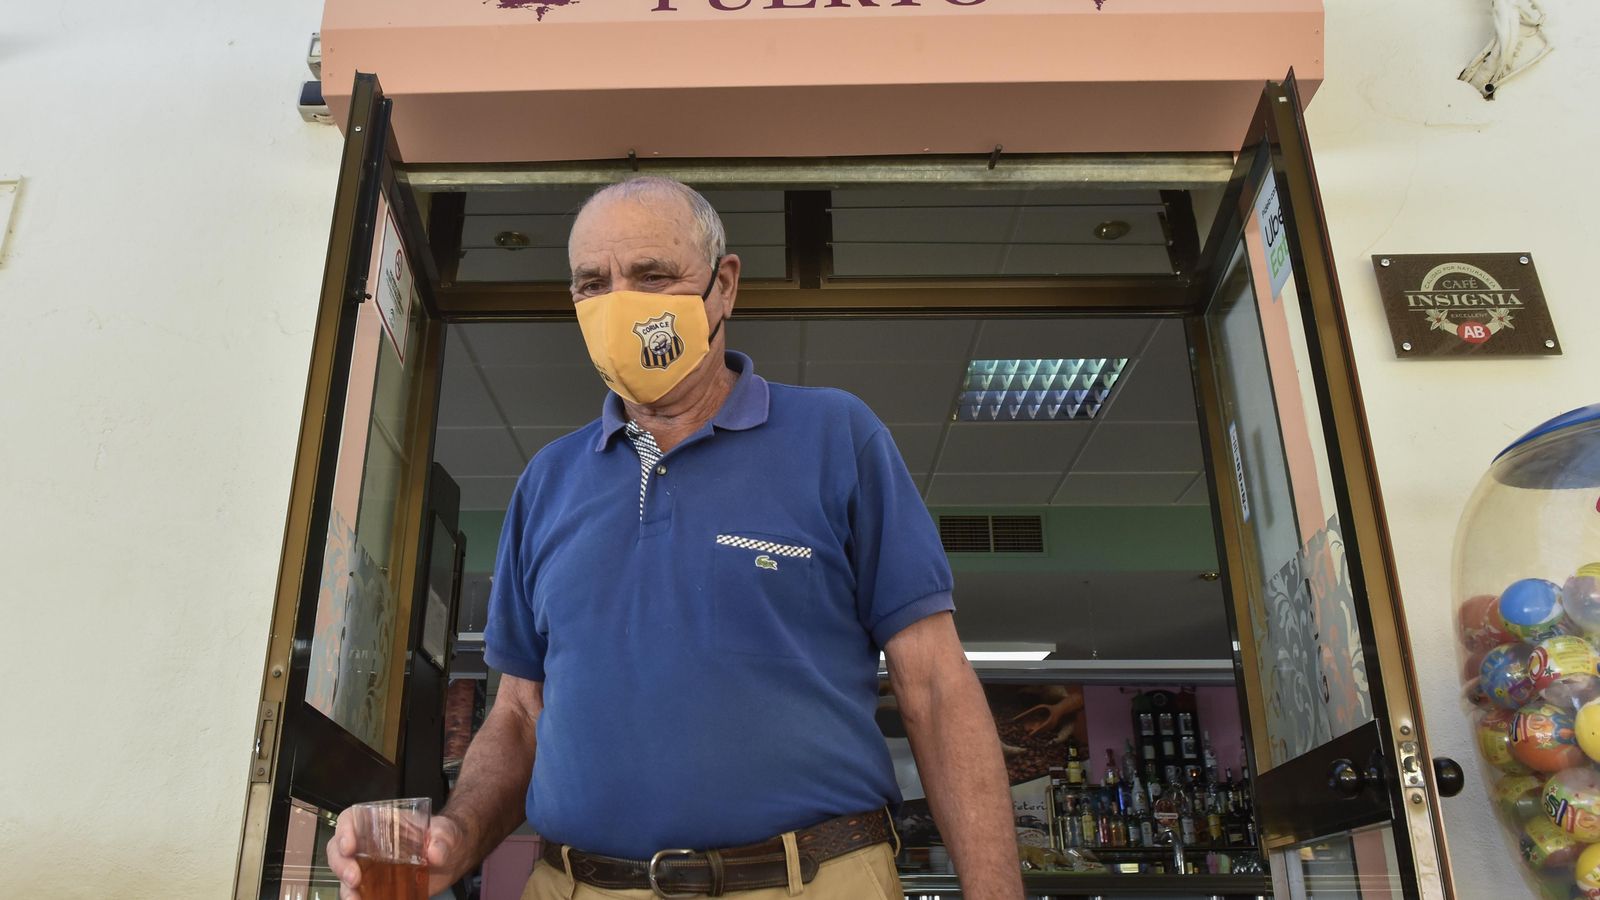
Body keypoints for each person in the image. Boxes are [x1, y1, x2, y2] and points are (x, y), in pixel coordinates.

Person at [329, 177, 1022, 900]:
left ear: (724, 286)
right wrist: (456, 833)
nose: (619, 304)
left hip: (807, 881)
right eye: (592, 284)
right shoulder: (547, 482)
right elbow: (520, 713)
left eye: (652, 275)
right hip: (577, 887)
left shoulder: (836, 438)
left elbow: (935, 687)